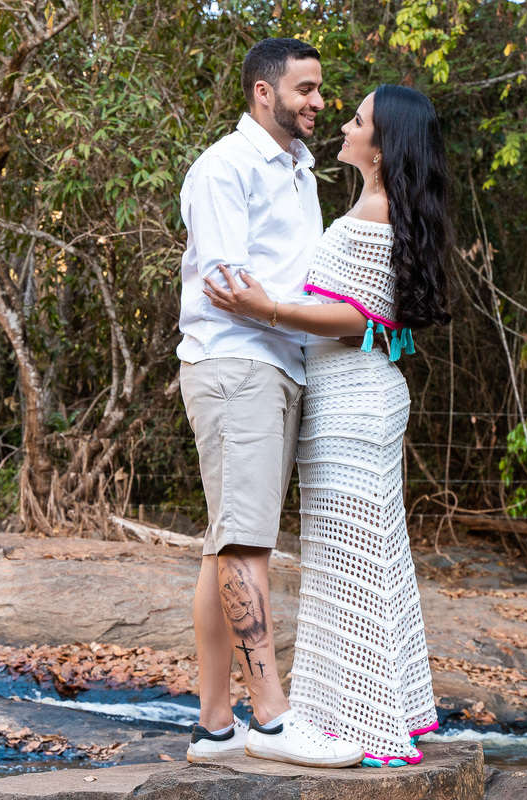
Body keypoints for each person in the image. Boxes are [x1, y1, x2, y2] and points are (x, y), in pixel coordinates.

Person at [203, 84, 453, 768]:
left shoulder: (376, 208)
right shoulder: (380, 206)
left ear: (384, 143)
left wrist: (267, 309)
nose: (342, 124)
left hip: (353, 401)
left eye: (358, 119)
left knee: (352, 561)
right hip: (353, 398)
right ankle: (373, 712)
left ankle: (369, 724)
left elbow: (359, 317)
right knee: (359, 556)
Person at [177, 37, 366, 769]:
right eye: (306, 89)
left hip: (277, 365)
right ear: (265, 93)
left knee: (225, 542)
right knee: (247, 542)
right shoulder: (224, 168)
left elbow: (273, 289)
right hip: (238, 365)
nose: (320, 102)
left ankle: (216, 729)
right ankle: (273, 720)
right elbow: (232, 289)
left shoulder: (299, 173)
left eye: (321, 91)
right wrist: (296, 317)